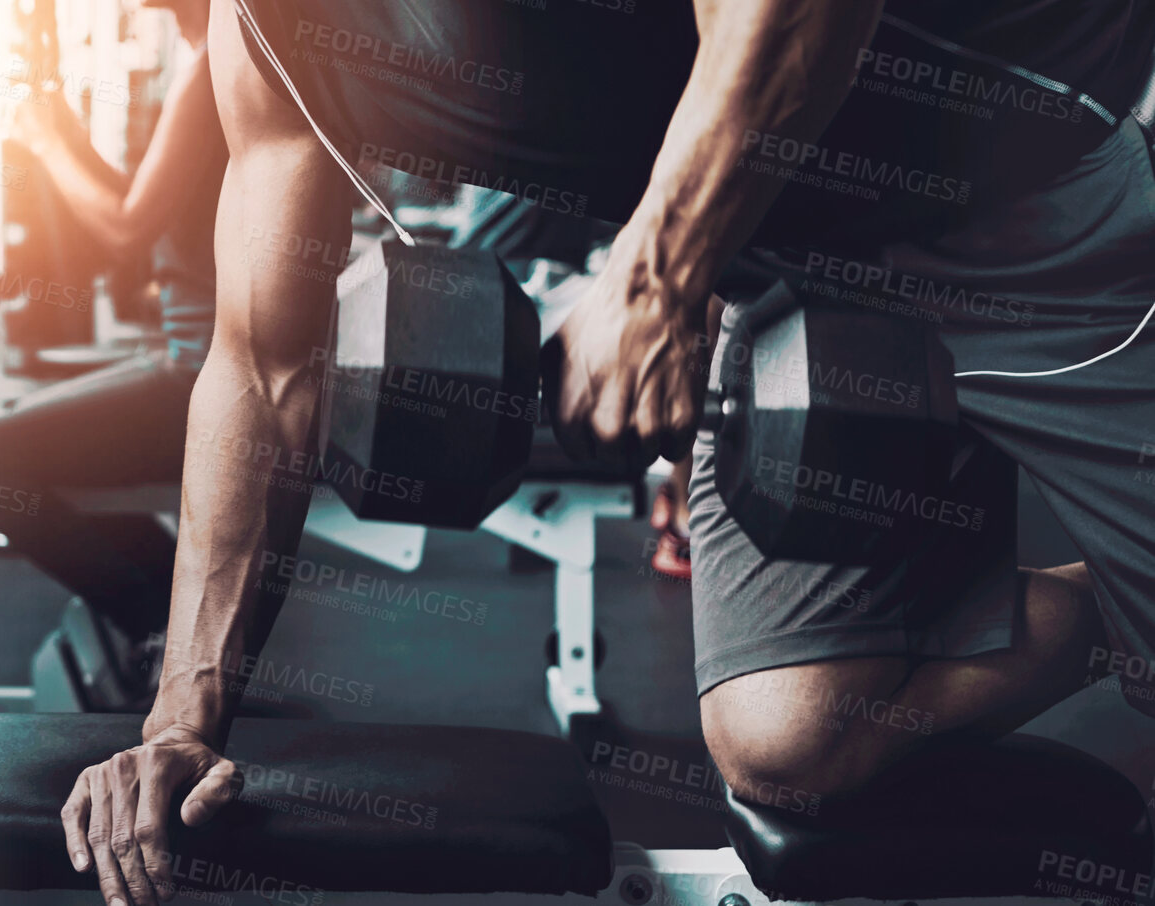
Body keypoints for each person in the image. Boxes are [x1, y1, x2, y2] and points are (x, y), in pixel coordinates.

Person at [56, 0, 1155, 903]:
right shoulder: (273, 46)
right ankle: (1121, 613)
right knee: (793, 742)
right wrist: (180, 726)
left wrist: (654, 278)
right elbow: (263, 366)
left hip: (1039, 219)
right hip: (784, 268)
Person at [0, 0, 226, 679]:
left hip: (206, 374)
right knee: (5, 431)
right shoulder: (206, 58)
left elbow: (127, 229)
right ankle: (178, 619)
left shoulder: (215, 65)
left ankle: (165, 630)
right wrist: (60, 121)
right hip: (194, 357)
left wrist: (45, 141)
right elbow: (143, 201)